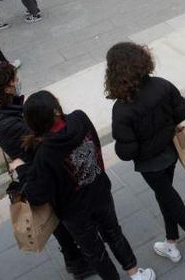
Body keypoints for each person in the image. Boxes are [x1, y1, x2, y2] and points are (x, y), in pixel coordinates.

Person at [10, 91, 154, 280]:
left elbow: (37, 195)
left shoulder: (45, 153)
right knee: (114, 233)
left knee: (95, 252)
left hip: (74, 213)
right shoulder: (80, 118)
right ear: (56, 109)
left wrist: (21, 169)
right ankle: (135, 274)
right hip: (100, 192)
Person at [0, 63, 94, 278]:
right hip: (37, 172)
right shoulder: (6, 124)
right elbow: (40, 147)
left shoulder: (3, 109)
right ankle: (77, 262)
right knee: (58, 218)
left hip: (36, 166)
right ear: (6, 88)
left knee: (60, 216)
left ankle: (79, 255)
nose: (17, 81)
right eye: (14, 79)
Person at [106, 43, 185, 263]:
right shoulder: (162, 85)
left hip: (150, 164)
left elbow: (127, 151)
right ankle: (171, 241)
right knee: (164, 194)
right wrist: (166, 129)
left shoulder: (122, 109)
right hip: (170, 153)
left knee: (168, 196)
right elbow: (182, 110)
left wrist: (122, 145)